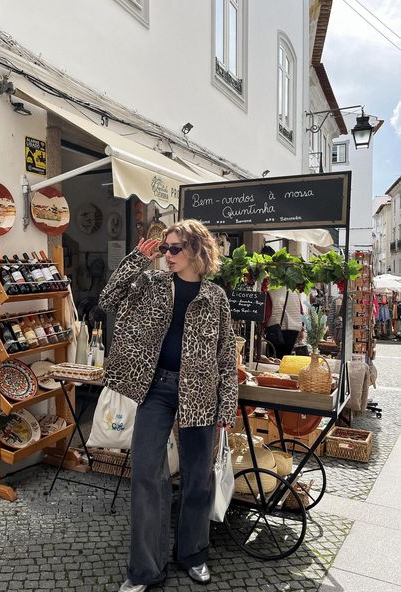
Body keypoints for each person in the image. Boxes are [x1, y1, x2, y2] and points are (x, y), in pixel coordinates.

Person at [98, 219, 238, 592]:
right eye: (165, 248)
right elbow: (108, 299)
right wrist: (135, 261)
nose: (168, 255)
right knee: (146, 474)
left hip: (201, 394)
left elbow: (226, 358)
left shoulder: (215, 298)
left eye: (174, 248)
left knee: (197, 478)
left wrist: (227, 409)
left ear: (196, 251)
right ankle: (145, 569)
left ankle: (192, 555)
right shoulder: (153, 283)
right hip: (156, 388)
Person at [261, 245, 303, 360]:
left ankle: (277, 378)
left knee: (276, 359)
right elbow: (299, 306)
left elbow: (268, 308)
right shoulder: (289, 281)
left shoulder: (269, 283)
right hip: (295, 325)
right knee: (285, 360)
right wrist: (301, 326)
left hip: (277, 326)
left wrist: (262, 325)